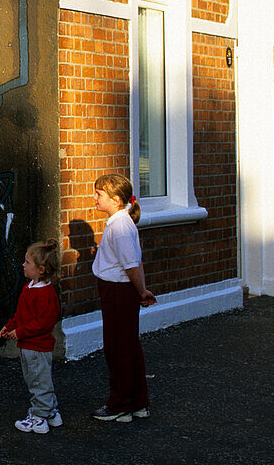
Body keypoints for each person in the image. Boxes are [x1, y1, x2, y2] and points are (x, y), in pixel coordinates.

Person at [90, 173, 155, 423]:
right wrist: (141, 290)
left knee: (118, 349)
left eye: (99, 194)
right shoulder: (123, 222)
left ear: (116, 200)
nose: (95, 198)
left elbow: (131, 266)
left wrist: (141, 292)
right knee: (128, 347)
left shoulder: (119, 227)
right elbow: (136, 262)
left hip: (118, 291)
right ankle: (138, 402)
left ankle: (120, 405)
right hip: (121, 291)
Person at [0, 240, 62, 434]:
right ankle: (50, 411)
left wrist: (20, 331)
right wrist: (10, 326)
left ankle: (39, 417)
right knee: (36, 379)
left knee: (37, 381)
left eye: (27, 262)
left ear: (41, 269)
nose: (23, 265)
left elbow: (43, 323)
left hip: (37, 346)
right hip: (29, 345)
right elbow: (21, 315)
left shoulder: (45, 293)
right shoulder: (30, 288)